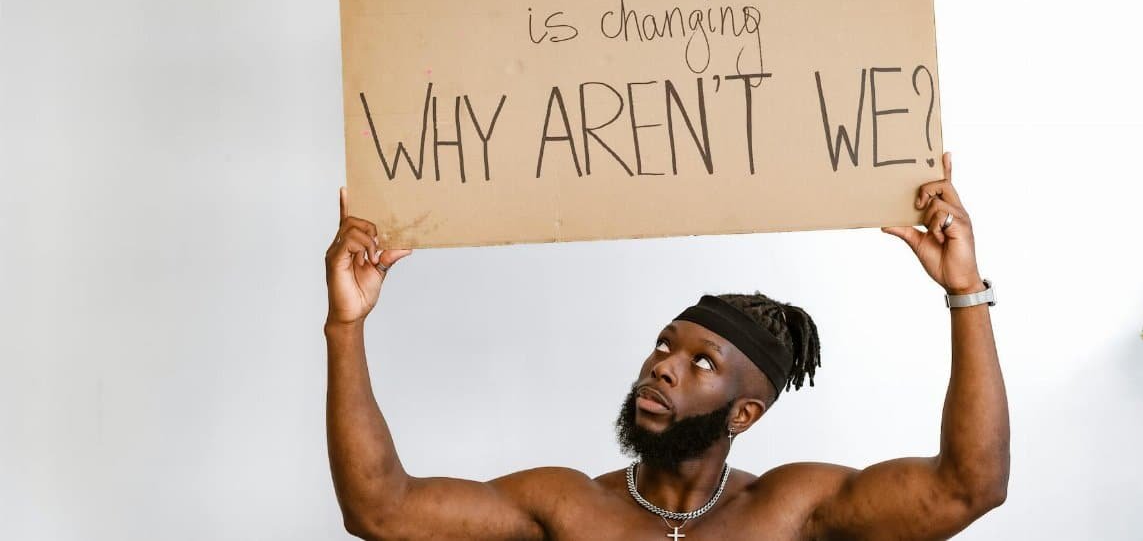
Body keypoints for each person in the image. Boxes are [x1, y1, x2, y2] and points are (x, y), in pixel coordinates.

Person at [324, 152, 1009, 540]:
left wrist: (965, 290)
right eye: (664, 344)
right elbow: (380, 511)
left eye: (700, 361)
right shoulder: (568, 506)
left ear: (744, 414)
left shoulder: (790, 511)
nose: (662, 365)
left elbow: (968, 487)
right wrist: (345, 326)